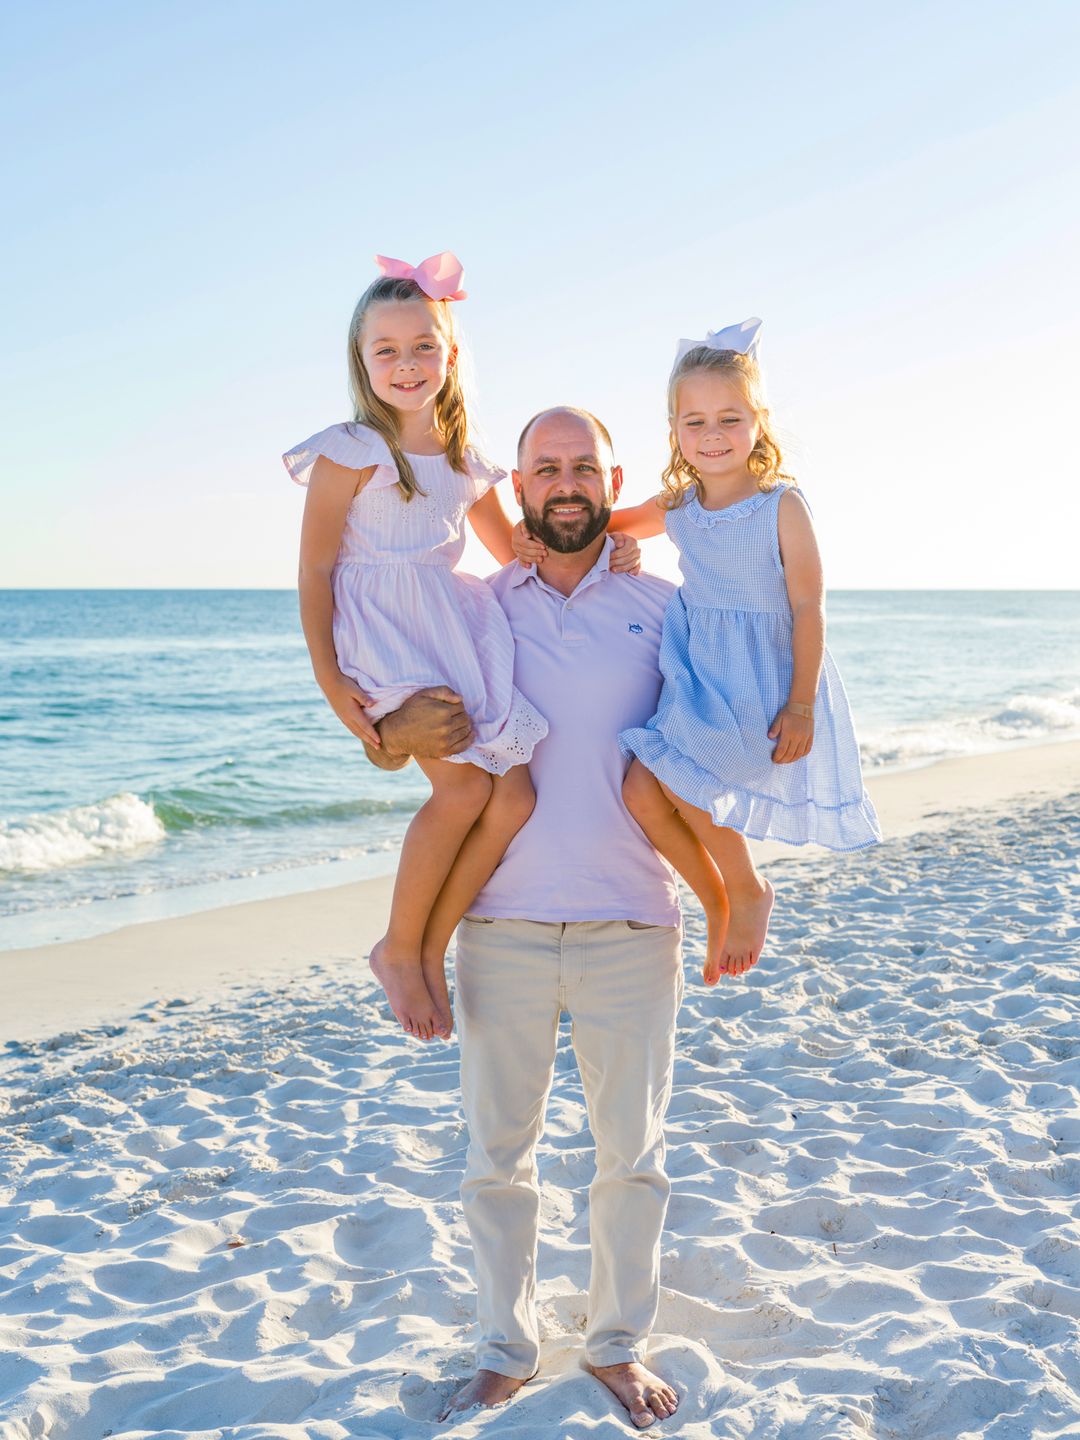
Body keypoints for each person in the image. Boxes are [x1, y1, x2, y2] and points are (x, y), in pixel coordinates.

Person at [364, 407, 693, 1429]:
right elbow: (401, 711)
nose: (564, 482)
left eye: (581, 467)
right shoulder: (473, 606)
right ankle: (504, 1352)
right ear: (516, 488)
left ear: (610, 480)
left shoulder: (663, 604)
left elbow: (702, 752)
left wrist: (731, 882)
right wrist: (380, 735)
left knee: (629, 1158)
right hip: (499, 928)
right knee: (495, 1161)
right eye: (544, 467)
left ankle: (615, 1346)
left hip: (635, 924)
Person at [283, 253, 638, 1045]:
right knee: (458, 794)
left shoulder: (464, 461)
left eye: (423, 346)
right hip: (385, 638)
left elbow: (520, 553)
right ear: (360, 360)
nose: (406, 364)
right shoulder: (349, 450)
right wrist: (330, 681)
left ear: (450, 355)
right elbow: (313, 568)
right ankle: (400, 947)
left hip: (449, 630)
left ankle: (422, 946)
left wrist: (615, 548)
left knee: (511, 796)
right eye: (387, 350)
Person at [608, 318, 881, 980]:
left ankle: (747, 888)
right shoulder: (679, 505)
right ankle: (719, 900)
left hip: (762, 690)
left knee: (688, 785)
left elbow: (809, 607)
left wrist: (801, 705)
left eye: (729, 418)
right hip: (699, 681)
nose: (711, 435)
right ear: (674, 430)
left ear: (759, 421)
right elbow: (607, 525)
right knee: (643, 793)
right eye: (693, 422)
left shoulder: (779, 505)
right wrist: (619, 543)